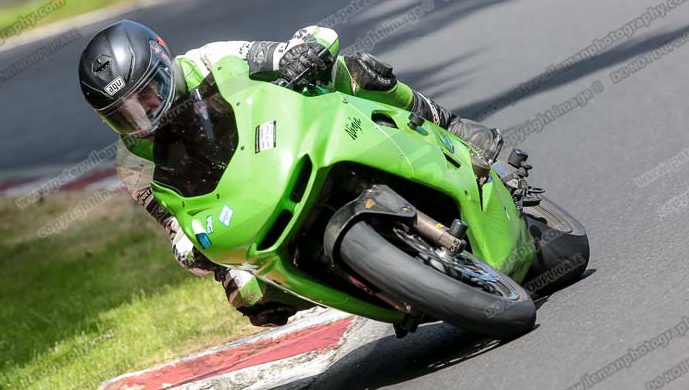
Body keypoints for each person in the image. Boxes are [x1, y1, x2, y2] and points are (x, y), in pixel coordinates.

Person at [78, 20, 504, 327]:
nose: (146, 113)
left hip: (277, 143)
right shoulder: (133, 164)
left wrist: (304, 52)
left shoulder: (209, 59)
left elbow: (285, 51)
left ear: (164, 63)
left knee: (353, 70)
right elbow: (174, 222)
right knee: (247, 293)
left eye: (148, 93)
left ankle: (448, 124)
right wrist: (189, 250)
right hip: (237, 202)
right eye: (125, 114)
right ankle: (368, 284)